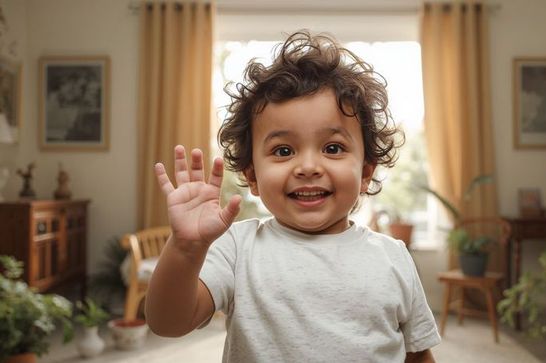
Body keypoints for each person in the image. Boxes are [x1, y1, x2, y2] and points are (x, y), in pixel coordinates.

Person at [146, 30, 441, 362]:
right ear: (253, 176)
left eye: (333, 148)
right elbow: (167, 323)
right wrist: (185, 249)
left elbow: (417, 356)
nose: (308, 166)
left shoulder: (394, 257)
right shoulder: (237, 247)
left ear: (365, 172)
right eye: (283, 150)